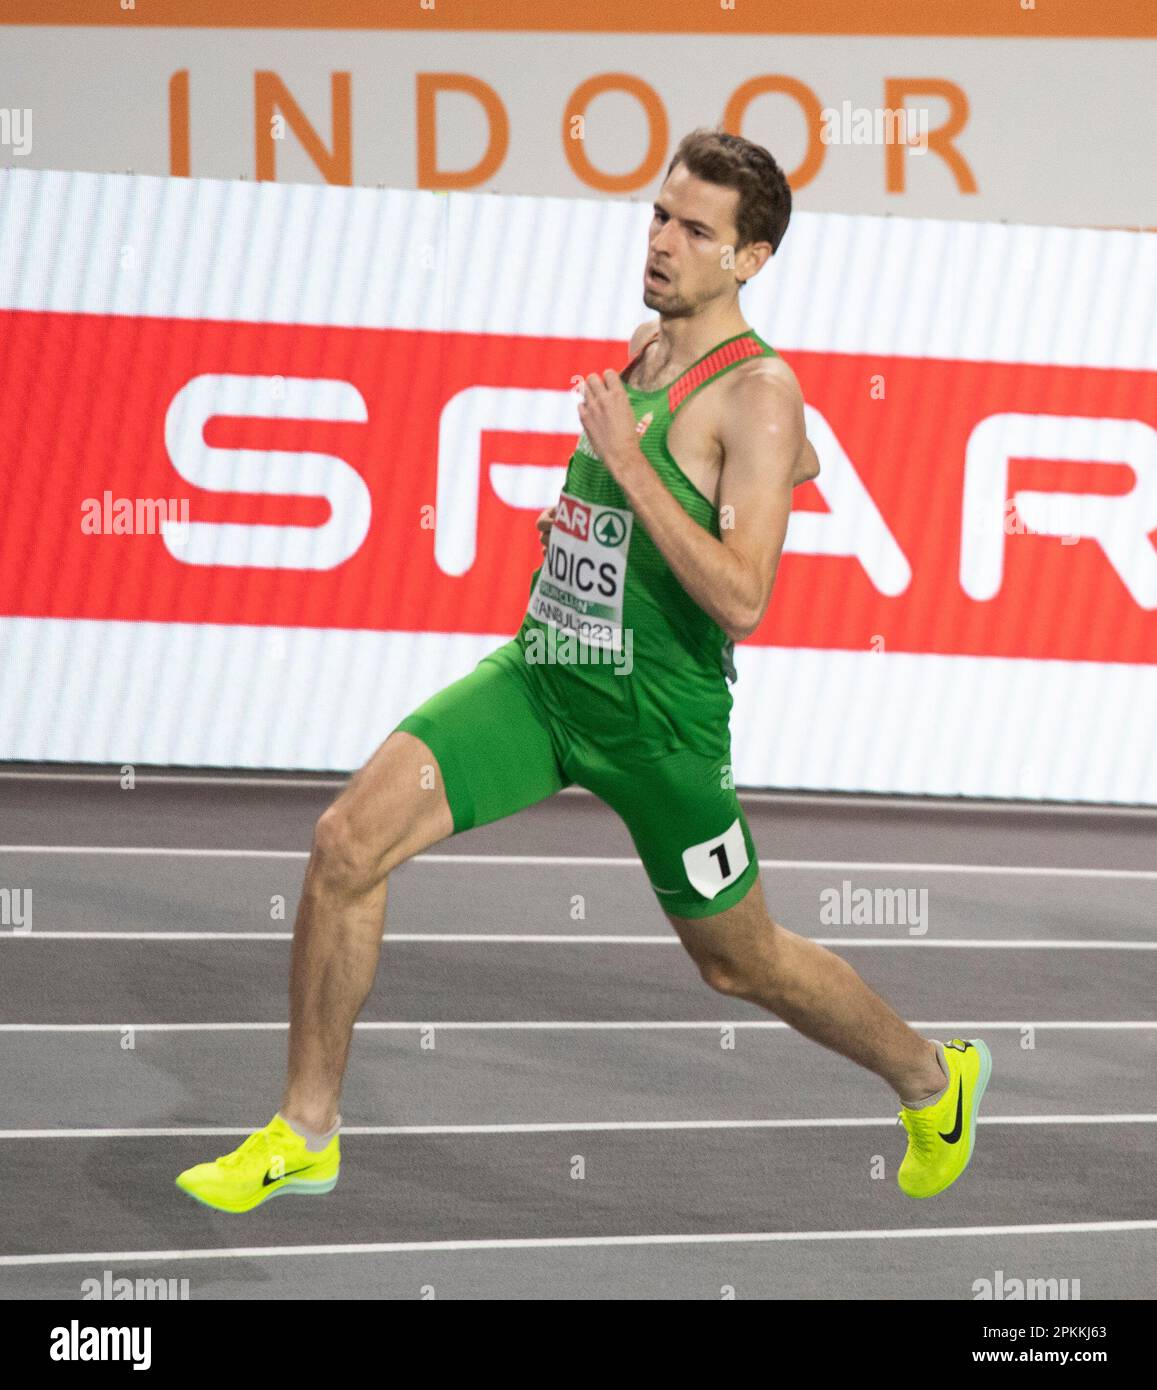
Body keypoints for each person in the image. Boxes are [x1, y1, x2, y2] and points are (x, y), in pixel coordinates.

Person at [176, 126, 989, 1215]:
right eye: (658, 215)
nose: (660, 242)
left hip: (657, 730)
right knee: (344, 846)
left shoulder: (758, 394)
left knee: (738, 961)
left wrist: (627, 464)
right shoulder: (652, 351)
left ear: (749, 259)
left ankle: (931, 1080)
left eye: (693, 230)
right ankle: (304, 1130)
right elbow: (777, 459)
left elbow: (742, 598)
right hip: (544, 681)